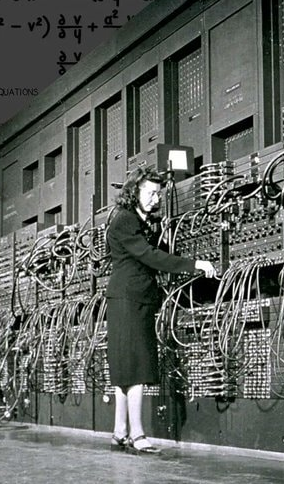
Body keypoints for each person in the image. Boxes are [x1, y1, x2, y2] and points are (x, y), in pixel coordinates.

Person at [105, 166, 215, 455]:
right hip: (129, 299)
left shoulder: (140, 223)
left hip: (131, 299)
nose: (156, 198)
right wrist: (194, 265)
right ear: (134, 193)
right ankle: (138, 434)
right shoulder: (126, 221)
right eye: (150, 192)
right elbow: (149, 255)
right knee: (138, 366)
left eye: (158, 193)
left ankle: (120, 431)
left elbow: (158, 250)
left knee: (125, 367)